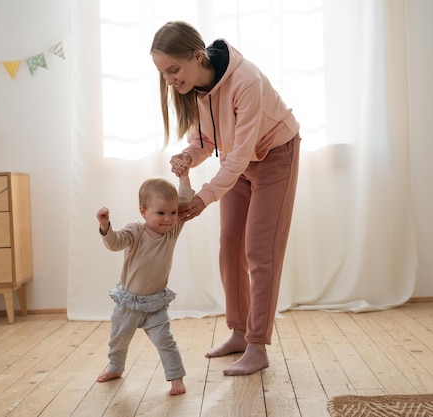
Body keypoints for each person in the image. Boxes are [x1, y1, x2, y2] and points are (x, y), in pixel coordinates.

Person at [151, 21, 301, 376]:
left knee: (260, 250)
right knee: (229, 245)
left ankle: (257, 345)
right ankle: (237, 332)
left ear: (197, 56)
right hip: (239, 160)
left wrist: (203, 198)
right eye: (163, 74)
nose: (170, 80)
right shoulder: (196, 88)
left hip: (276, 154)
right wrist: (189, 154)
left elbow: (239, 153)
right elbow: (207, 138)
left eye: (174, 69)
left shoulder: (245, 80)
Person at [96, 176, 194, 395]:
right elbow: (115, 242)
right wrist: (105, 226)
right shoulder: (136, 231)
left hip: (155, 303)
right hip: (128, 302)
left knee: (165, 341)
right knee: (118, 339)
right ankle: (115, 367)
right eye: (160, 213)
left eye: (173, 212)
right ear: (143, 211)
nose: (168, 219)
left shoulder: (172, 231)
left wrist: (183, 175)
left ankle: (176, 378)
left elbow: (185, 199)